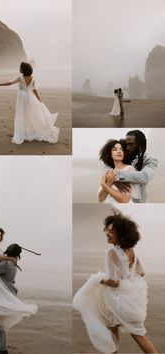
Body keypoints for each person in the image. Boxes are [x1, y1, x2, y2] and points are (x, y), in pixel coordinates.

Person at [72, 211, 157, 354]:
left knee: (121, 331)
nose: (107, 233)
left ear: (122, 234)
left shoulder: (112, 253)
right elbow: (141, 272)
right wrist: (128, 277)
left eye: (112, 231)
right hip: (132, 298)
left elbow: (115, 282)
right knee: (132, 332)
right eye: (107, 230)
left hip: (116, 298)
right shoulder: (131, 251)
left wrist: (101, 280)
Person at [0, 62, 59, 144]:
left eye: (20, 68)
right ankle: (28, 131)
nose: (19, 69)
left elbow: (9, 83)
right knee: (29, 114)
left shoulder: (20, 77)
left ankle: (22, 132)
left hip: (22, 98)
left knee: (22, 114)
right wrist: (39, 99)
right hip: (29, 97)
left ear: (23, 69)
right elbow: (34, 89)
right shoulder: (32, 78)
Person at [114, 130, 158, 202]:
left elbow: (145, 177)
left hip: (137, 202)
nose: (127, 148)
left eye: (131, 144)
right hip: (118, 199)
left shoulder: (150, 160)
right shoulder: (121, 155)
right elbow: (107, 169)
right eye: (126, 145)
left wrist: (114, 177)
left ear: (140, 145)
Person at [98, 139, 141, 203]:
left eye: (121, 149)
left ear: (124, 153)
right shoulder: (108, 172)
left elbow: (125, 199)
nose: (119, 151)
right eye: (115, 149)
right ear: (110, 154)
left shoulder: (129, 169)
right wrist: (108, 183)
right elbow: (100, 199)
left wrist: (104, 185)